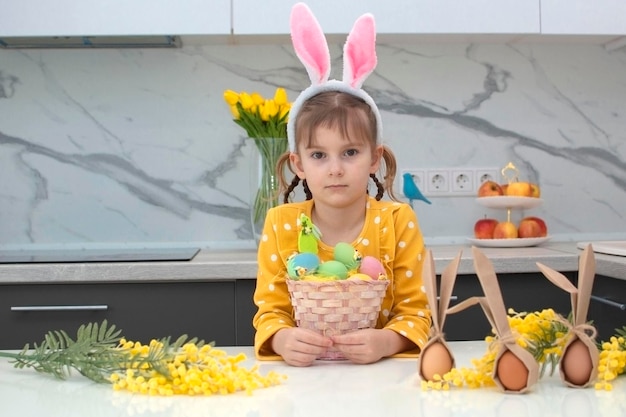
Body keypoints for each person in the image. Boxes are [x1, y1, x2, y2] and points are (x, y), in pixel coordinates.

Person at [252, 2, 431, 367]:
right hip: (301, 386)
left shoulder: (398, 221)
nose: (335, 169)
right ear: (299, 164)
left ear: (374, 158)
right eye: (319, 156)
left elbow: (419, 313)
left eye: (350, 152)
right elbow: (269, 313)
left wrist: (388, 342)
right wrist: (283, 339)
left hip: (383, 385)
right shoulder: (280, 224)